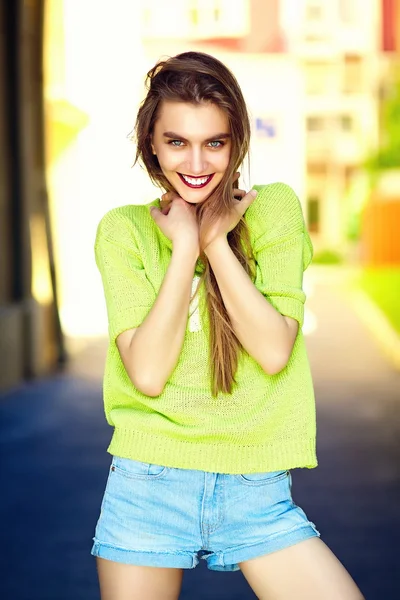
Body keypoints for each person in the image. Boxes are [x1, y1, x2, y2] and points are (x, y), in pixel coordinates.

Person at [91, 51, 364, 600]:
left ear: (237, 142)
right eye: (177, 142)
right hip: (147, 485)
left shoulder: (275, 210)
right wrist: (185, 243)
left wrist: (214, 241)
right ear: (151, 144)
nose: (197, 161)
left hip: (254, 489)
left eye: (214, 142)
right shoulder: (124, 232)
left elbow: (273, 350)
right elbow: (146, 372)